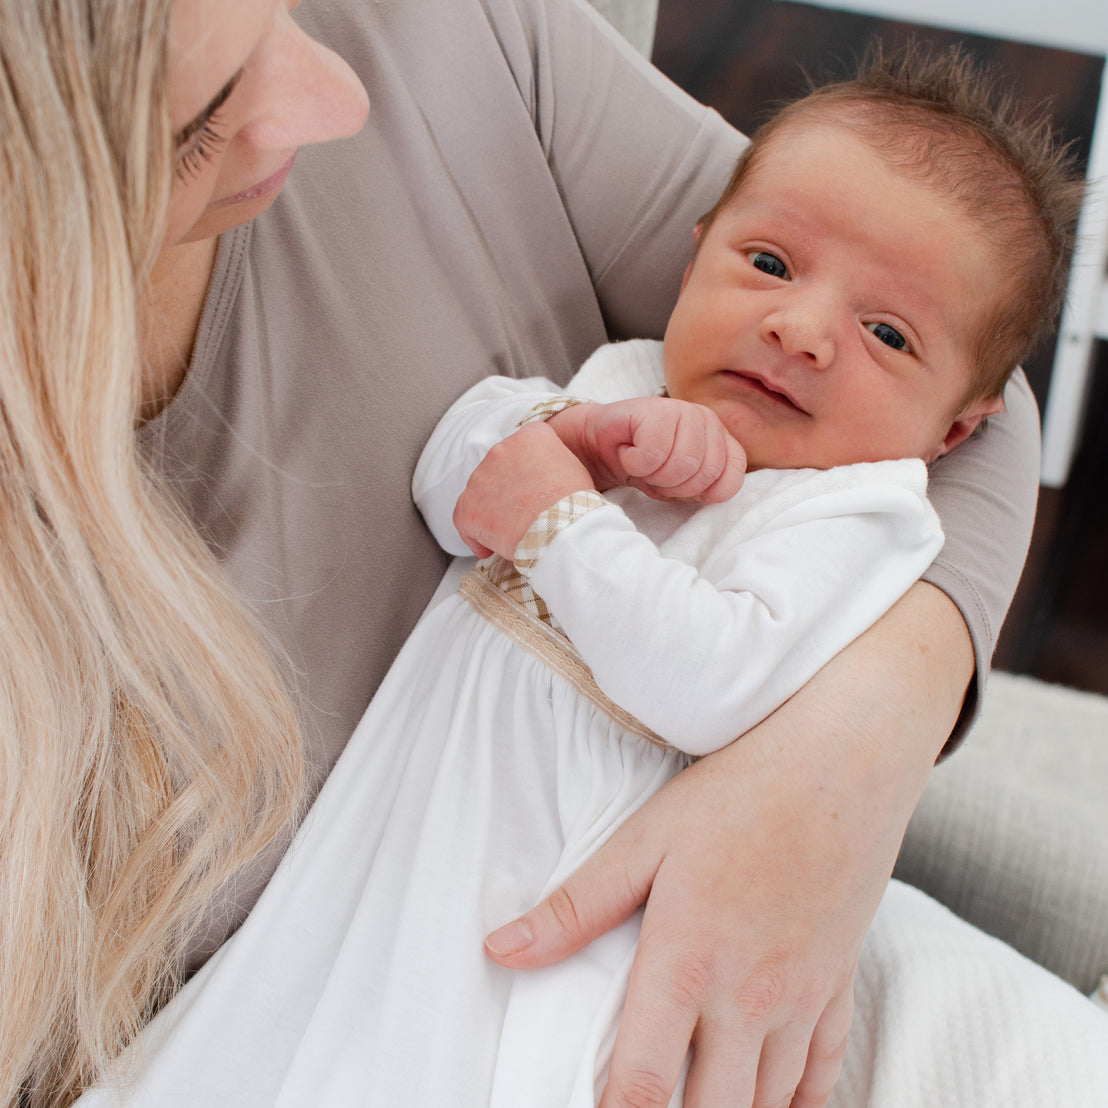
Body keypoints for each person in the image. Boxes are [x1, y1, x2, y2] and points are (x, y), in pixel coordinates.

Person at [0, 0, 1090, 1104]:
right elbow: (465, 468)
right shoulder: (634, 377)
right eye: (203, 116)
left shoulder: (452, 35)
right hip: (363, 990)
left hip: (658, 974)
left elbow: (978, 409)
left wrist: (832, 785)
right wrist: (535, 458)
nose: (336, 94)